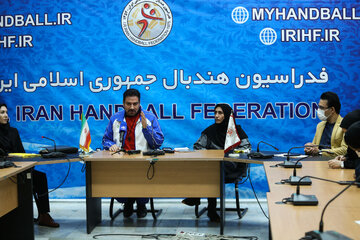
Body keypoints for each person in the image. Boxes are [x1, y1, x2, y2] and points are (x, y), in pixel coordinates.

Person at [182, 103, 251, 222]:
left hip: (233, 166)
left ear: (228, 115)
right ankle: (210, 210)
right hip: (214, 167)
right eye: (215, 113)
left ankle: (197, 197)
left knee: (212, 171)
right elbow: (198, 146)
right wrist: (212, 154)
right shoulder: (210, 131)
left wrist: (232, 153)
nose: (216, 116)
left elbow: (247, 148)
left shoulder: (237, 130)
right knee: (213, 171)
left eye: (220, 113)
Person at [102, 89, 164, 218]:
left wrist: (147, 128)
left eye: (135, 104)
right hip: (121, 163)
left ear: (140, 103)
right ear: (123, 104)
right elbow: (105, 140)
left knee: (143, 178)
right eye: (128, 104)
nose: (132, 107)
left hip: (143, 163)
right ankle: (127, 202)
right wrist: (110, 145)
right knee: (120, 179)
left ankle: (141, 204)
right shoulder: (115, 118)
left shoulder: (149, 117)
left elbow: (157, 143)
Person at [0, 103, 59, 227]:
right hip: (4, 171)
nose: (5, 115)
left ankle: (44, 214)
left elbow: (21, 152)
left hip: (18, 168)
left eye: (6, 112)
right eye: (2, 113)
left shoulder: (13, 131)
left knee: (40, 177)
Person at [304, 91, 347, 156]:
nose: (319, 110)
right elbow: (315, 147)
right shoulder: (320, 125)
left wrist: (320, 152)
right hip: (317, 162)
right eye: (318, 107)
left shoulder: (345, 125)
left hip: (334, 163)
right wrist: (310, 149)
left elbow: (345, 150)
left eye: (321, 108)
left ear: (332, 109)